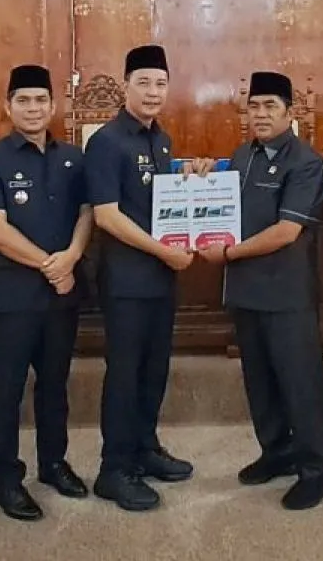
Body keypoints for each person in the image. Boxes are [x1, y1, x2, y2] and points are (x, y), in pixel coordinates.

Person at [83, 44, 214, 512]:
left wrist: (193, 177)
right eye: (144, 83)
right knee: (125, 372)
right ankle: (114, 469)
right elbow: (107, 216)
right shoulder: (106, 142)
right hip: (126, 280)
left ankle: (144, 448)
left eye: (160, 83)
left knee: (153, 369)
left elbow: (162, 202)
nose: (153, 91)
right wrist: (164, 252)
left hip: (160, 278)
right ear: (126, 86)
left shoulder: (161, 140)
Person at [198, 71, 323, 510]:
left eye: (270, 107)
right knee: (260, 381)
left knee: (300, 382)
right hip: (246, 291)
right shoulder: (243, 155)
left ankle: (318, 470)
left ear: (289, 113)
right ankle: (277, 452)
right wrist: (200, 175)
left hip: (286, 294)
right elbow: (222, 204)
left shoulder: (306, 161)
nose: (260, 114)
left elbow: (286, 231)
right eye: (254, 106)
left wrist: (228, 253)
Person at [0, 65, 94, 521]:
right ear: (8, 106)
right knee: (7, 389)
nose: (33, 108)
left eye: (41, 100)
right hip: (13, 296)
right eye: (23, 100)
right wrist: (51, 265)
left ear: (53, 105)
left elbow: (87, 212)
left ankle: (53, 463)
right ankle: (6, 479)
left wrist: (72, 257)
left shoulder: (74, 157)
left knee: (55, 385)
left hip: (62, 294)